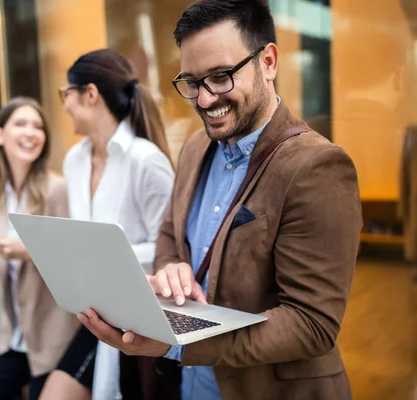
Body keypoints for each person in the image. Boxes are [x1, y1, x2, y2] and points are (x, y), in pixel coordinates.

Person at [77, 1, 363, 400]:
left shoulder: (317, 166)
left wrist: (178, 342)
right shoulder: (196, 147)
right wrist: (172, 266)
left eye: (221, 77)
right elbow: (168, 233)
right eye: (192, 82)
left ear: (268, 61)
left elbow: (311, 324)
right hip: (192, 385)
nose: (205, 100)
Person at [39, 49, 175, 400]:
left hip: (139, 324)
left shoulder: (146, 162)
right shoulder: (74, 161)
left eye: (66, 93)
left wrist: (107, 254)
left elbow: (172, 250)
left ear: (90, 94)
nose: (64, 103)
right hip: (94, 316)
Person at [0, 97, 80, 400]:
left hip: (53, 336)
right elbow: (6, 266)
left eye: (38, 126)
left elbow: (72, 259)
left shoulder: (57, 190)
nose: (31, 132)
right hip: (13, 336)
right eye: (21, 124)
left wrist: (27, 251)